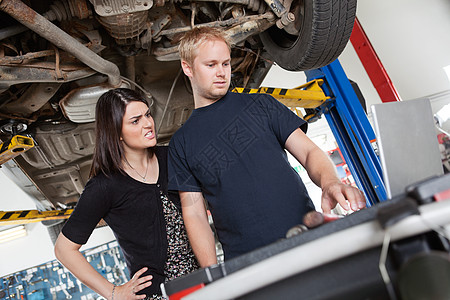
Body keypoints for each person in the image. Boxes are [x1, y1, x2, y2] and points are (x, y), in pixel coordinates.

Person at [167, 27, 367, 267]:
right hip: (248, 264)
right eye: (211, 65)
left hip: (306, 238)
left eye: (226, 64)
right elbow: (194, 214)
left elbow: (309, 152)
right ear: (187, 68)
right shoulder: (181, 142)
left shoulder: (261, 104)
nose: (221, 72)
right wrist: (212, 276)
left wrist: (330, 183)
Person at [54, 88, 198, 300]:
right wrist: (113, 292)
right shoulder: (104, 186)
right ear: (117, 132)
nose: (148, 124)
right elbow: (64, 250)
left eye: (148, 115)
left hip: (200, 278)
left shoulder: (171, 157)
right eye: (135, 121)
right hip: (157, 294)